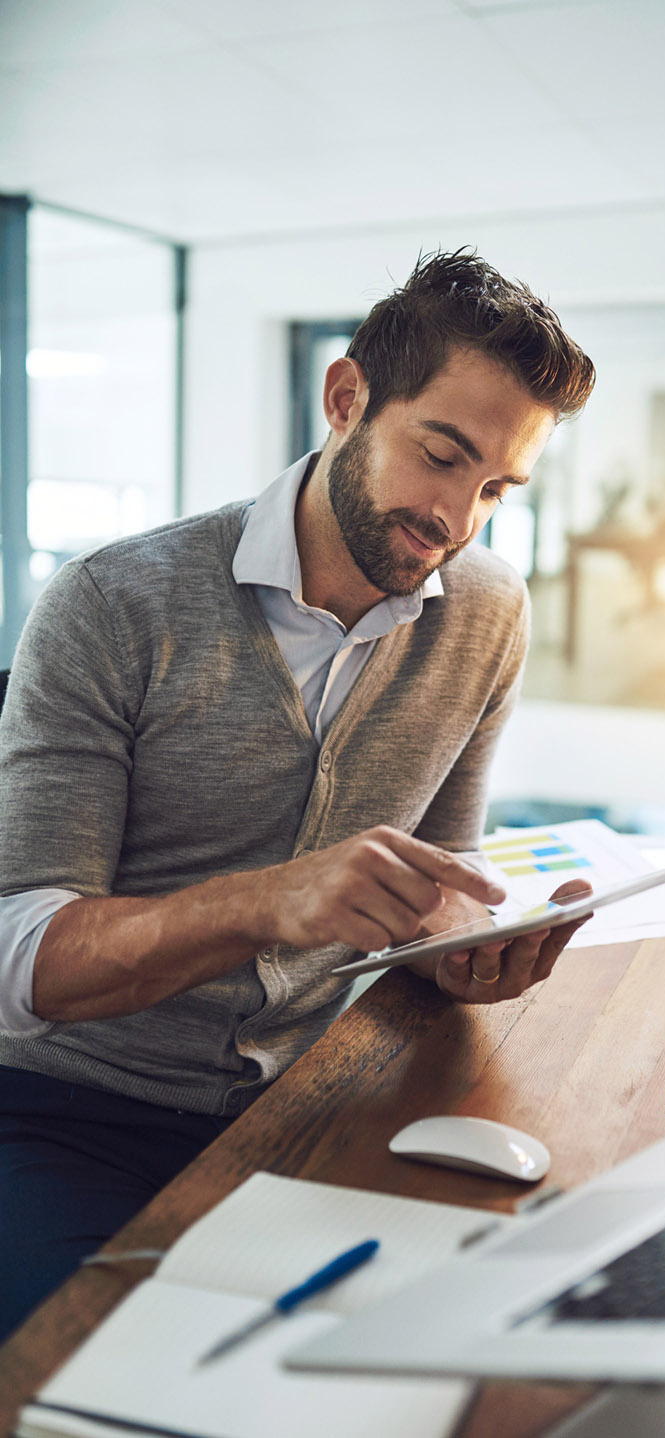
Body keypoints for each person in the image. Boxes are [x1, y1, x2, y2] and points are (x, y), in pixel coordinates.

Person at [0, 250, 595, 1340]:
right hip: (68, 1110)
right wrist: (269, 902)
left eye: (497, 490)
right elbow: (22, 959)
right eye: (442, 455)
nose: (458, 519)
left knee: (466, 1342)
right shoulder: (109, 605)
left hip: (311, 1094)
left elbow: (439, 883)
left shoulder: (485, 614)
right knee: (95, 1374)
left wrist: (463, 946)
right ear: (346, 398)